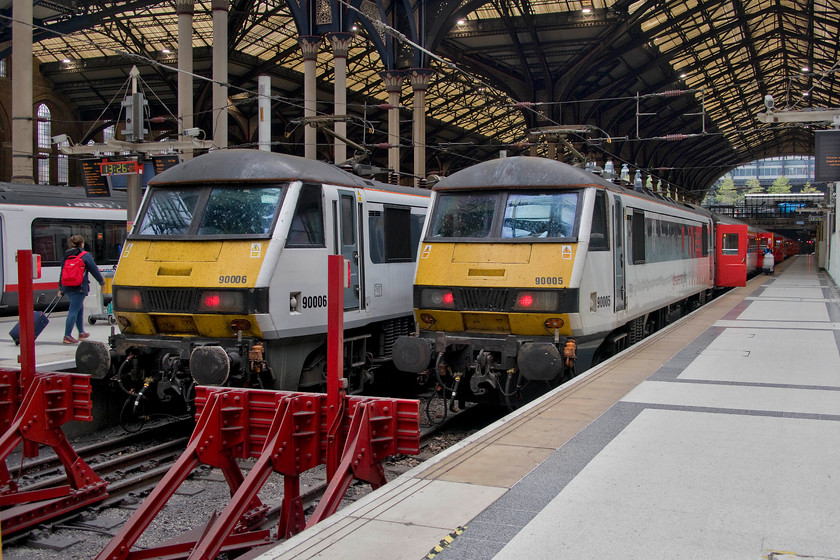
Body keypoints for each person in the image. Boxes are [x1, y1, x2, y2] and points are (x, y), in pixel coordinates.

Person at [58, 234, 105, 344]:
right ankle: (67, 335)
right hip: (79, 287)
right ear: (82, 243)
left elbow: (62, 273)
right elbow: (94, 270)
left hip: (67, 287)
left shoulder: (66, 256)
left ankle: (81, 333)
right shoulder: (85, 255)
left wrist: (61, 288)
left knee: (79, 308)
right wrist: (102, 282)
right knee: (73, 310)